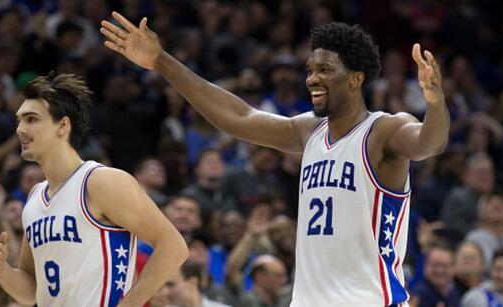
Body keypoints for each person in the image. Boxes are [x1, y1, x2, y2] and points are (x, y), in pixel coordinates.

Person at [101, 12, 449, 306]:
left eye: (325, 70)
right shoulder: (308, 131)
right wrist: (162, 62)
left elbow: (429, 143)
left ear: (356, 78)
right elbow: (238, 118)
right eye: (311, 69)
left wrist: (434, 101)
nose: (312, 78)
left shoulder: (385, 131)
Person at [0, 73, 188, 307]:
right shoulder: (35, 197)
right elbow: (32, 291)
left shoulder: (100, 181)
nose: (19, 129)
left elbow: (173, 247)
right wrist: (2, 271)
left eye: (31, 119)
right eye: (19, 120)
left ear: (63, 125)